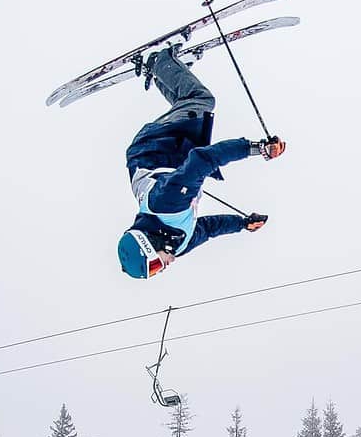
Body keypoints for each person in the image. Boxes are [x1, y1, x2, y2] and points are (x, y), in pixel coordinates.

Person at [116, 46, 285, 281]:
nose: (164, 267)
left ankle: (159, 60)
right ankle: (167, 70)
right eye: (156, 271)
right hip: (173, 156)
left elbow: (203, 159)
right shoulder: (179, 245)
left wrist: (257, 149)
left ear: (149, 245)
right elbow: (208, 229)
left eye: (155, 265)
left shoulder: (166, 204)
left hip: (154, 147)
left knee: (201, 100)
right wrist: (242, 224)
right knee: (188, 106)